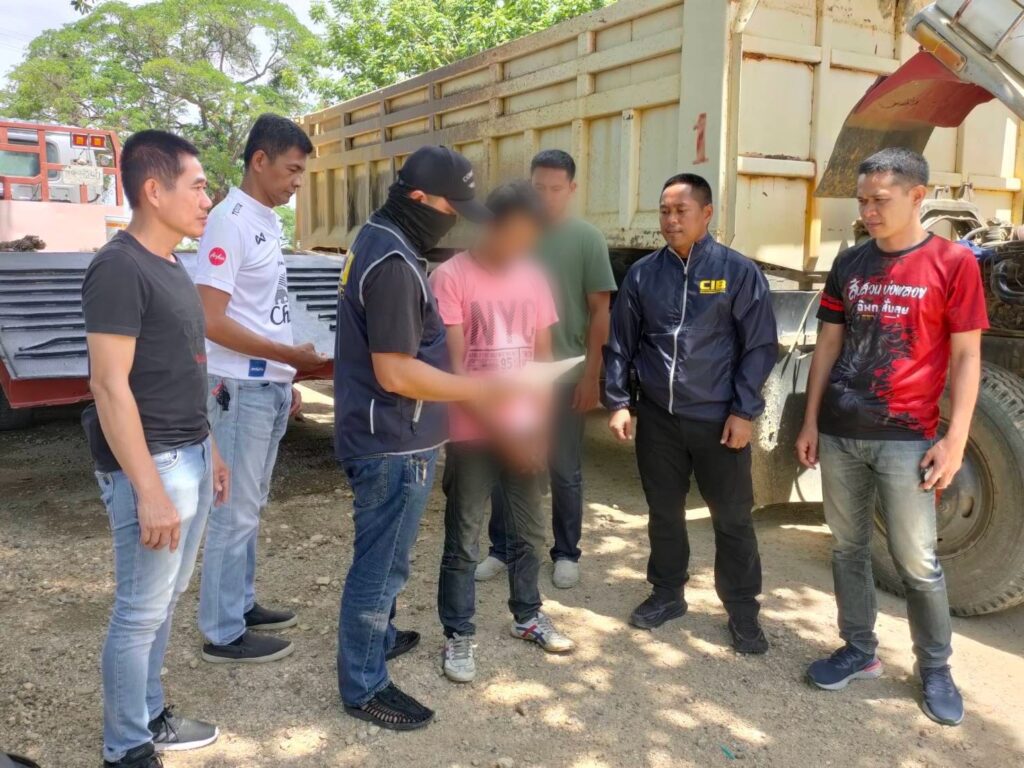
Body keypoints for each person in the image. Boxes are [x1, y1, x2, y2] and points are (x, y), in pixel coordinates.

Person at [796, 148, 988, 726]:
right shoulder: (850, 264)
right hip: (840, 432)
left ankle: (935, 668)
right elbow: (828, 344)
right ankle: (858, 649)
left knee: (918, 561)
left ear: (917, 196)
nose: (869, 211)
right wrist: (810, 421)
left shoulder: (953, 263)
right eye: (862, 201)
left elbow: (967, 356)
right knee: (847, 548)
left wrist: (955, 439)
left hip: (907, 437)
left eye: (880, 200)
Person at [334, 145, 505, 730]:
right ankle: (364, 685)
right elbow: (396, 372)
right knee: (382, 566)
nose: (454, 219)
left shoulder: (380, 238)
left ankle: (378, 638)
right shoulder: (394, 263)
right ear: (417, 197)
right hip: (392, 440)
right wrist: (478, 391)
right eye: (450, 206)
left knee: (388, 558)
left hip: (385, 431)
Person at [82, 130, 228, 768]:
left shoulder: (170, 264)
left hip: (186, 454)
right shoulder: (119, 266)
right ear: (153, 190)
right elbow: (108, 386)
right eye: (197, 186)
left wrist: (210, 447)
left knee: (163, 602)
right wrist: (148, 490)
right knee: (140, 612)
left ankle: (148, 715)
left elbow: (182, 370)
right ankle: (126, 749)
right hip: (154, 467)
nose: (207, 199)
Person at [603, 172, 777, 653]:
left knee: (732, 518)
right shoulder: (644, 274)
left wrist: (744, 412)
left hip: (719, 420)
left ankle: (742, 611)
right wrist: (618, 401)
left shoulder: (738, 272)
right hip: (660, 418)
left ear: (707, 213)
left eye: (681, 210)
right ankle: (666, 593)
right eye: (664, 211)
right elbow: (620, 343)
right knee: (664, 512)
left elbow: (759, 347)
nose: (671, 220)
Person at [432, 181, 577, 684]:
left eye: (530, 238)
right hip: (471, 432)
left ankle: (528, 616)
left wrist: (536, 432)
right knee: (465, 537)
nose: (521, 246)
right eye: (515, 234)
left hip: (522, 429)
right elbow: (456, 373)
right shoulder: (450, 278)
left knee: (530, 532)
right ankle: (458, 633)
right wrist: (509, 437)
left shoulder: (533, 278)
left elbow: (543, 361)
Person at [194, 114, 324, 664]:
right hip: (239, 387)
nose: (297, 182)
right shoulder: (229, 222)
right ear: (260, 160)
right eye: (292, 170)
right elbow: (211, 320)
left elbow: (265, 310)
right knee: (233, 510)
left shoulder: (265, 220)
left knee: (250, 504)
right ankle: (222, 633)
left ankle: (241, 605)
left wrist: (285, 376)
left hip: (264, 384)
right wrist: (287, 358)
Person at [478, 150, 615, 589]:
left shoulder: (587, 239)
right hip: (512, 375)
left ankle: (566, 552)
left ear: (571, 189)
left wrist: (592, 375)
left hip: (564, 374)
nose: (547, 196)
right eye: (539, 187)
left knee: (564, 468)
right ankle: (502, 548)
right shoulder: (516, 235)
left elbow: (600, 311)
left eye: (556, 188)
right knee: (508, 462)